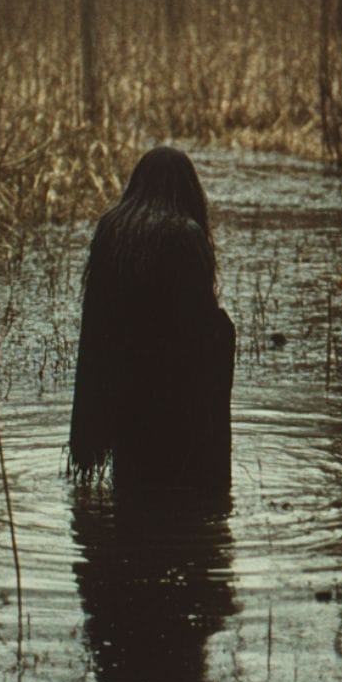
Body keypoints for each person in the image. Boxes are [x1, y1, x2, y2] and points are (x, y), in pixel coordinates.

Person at [69, 146, 234, 491]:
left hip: (122, 400)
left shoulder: (111, 227)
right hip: (173, 406)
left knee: (128, 501)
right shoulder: (186, 234)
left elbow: (96, 327)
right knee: (177, 505)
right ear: (189, 191)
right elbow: (199, 330)